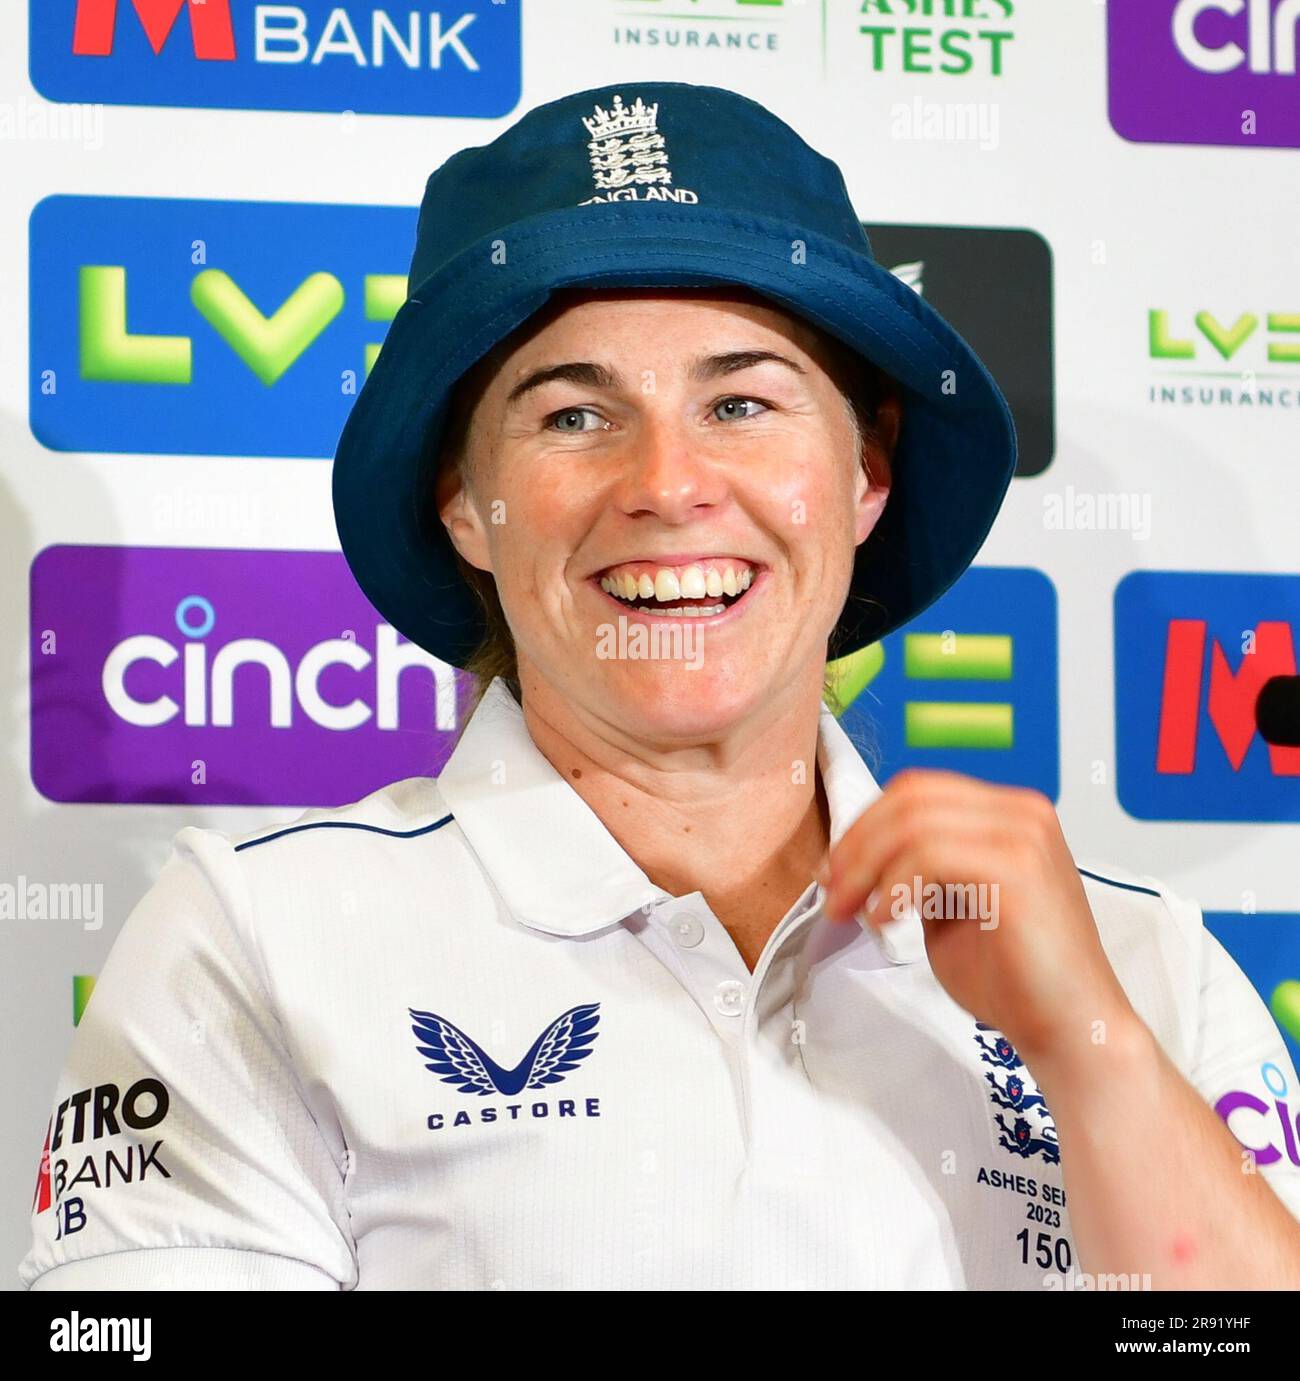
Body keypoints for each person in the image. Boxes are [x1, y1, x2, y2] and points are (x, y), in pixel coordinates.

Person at [21, 82, 1300, 1291]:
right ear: (462, 501)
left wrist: (1095, 1051)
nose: (669, 483)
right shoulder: (258, 935)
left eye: (742, 402)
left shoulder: (1142, 961)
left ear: (866, 475)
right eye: (573, 416)